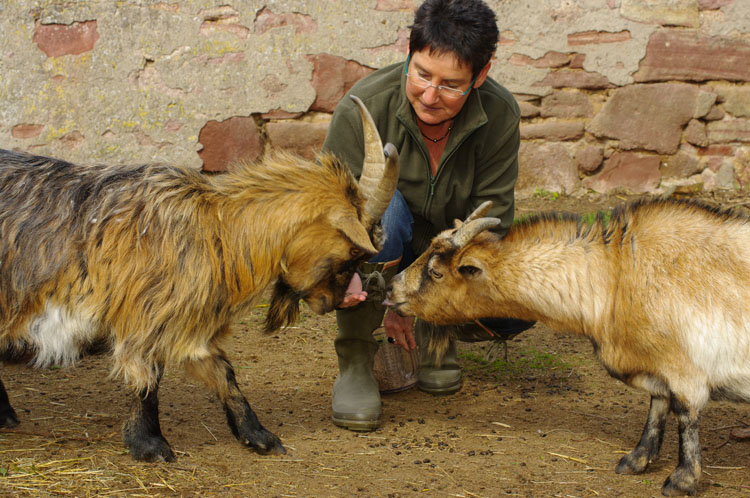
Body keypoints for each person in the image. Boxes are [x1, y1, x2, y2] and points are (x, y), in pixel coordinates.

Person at [322, 0, 534, 432]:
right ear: (408, 53)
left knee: (524, 299)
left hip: (442, 257)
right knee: (388, 208)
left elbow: (491, 221)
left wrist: (419, 302)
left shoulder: (501, 114)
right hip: (381, 247)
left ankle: (437, 334)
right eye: (421, 74)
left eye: (452, 85)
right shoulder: (361, 107)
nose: (431, 96)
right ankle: (357, 360)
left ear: (481, 75)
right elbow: (329, 213)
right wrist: (346, 272)